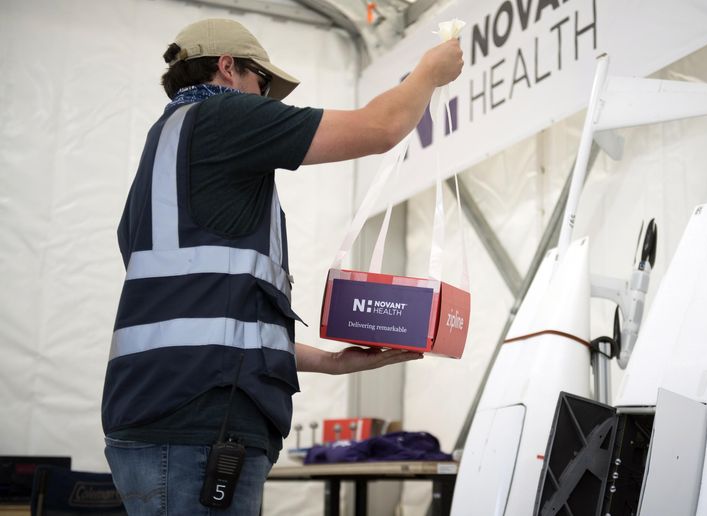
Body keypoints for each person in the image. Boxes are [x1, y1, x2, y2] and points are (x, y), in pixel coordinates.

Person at [101, 18, 463, 515]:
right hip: (201, 431)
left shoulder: (161, 154)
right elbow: (381, 128)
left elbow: (210, 326)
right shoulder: (222, 116)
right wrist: (428, 71)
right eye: (262, 84)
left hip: (154, 421)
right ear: (227, 69)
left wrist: (333, 364)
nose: (267, 103)